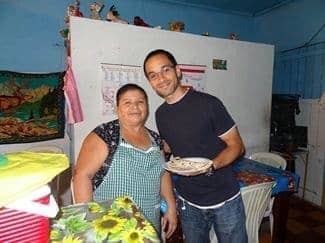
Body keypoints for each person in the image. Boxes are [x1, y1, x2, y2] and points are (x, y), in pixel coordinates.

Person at [143, 49, 248, 243]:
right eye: (153, 75)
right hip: (187, 200)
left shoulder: (209, 104)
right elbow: (171, 146)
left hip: (224, 198)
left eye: (165, 70)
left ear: (178, 71)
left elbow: (237, 146)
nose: (161, 79)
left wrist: (210, 166)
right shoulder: (160, 114)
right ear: (150, 82)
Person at [72, 83, 177, 237]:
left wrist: (171, 206)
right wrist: (89, 224)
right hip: (112, 225)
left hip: (149, 223)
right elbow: (81, 176)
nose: (135, 107)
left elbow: (163, 173)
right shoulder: (105, 134)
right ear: (117, 108)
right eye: (127, 103)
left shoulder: (155, 138)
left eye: (140, 102)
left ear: (146, 106)